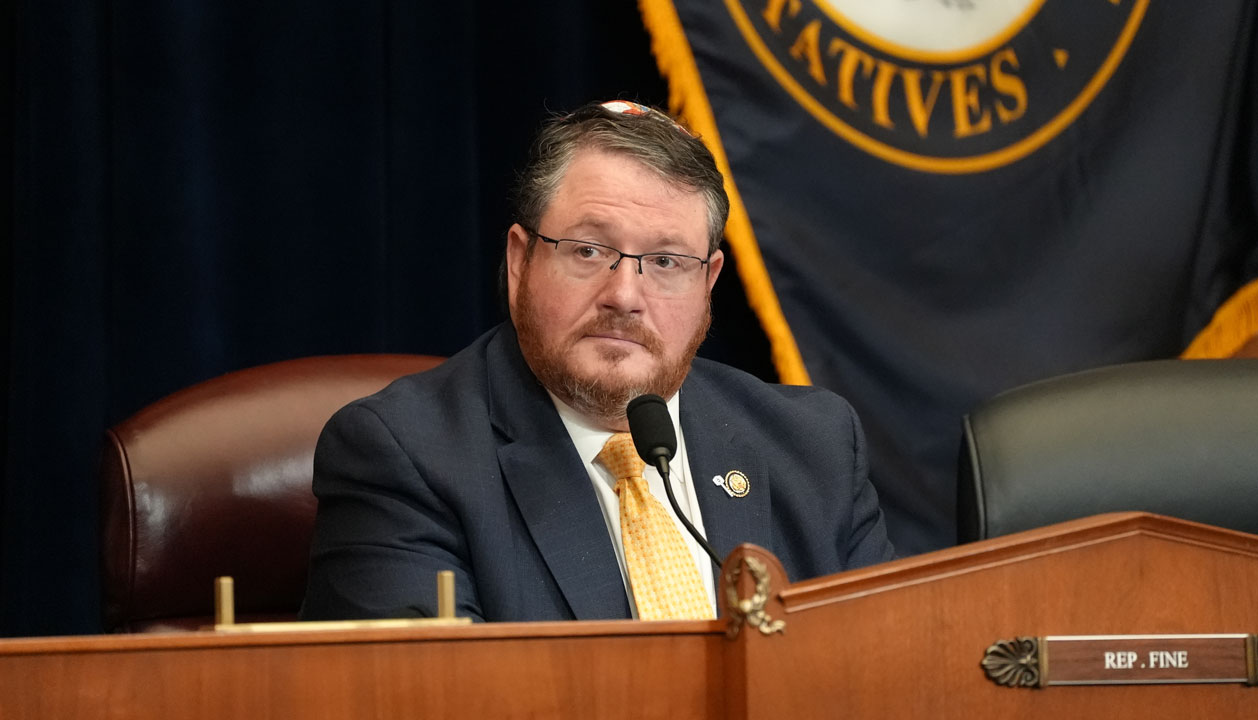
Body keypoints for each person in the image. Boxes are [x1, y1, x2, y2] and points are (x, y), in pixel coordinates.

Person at [300, 100, 893, 623]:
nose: (625, 296)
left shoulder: (813, 447)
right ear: (519, 262)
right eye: (588, 251)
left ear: (709, 284)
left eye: (666, 261)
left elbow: (884, 671)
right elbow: (432, 693)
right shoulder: (404, 458)